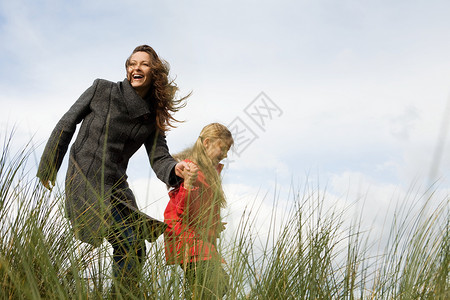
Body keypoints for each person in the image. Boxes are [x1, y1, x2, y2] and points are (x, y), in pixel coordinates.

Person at [37, 45, 191, 293]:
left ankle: (120, 294)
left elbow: (159, 157)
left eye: (143, 64)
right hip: (86, 176)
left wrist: (176, 169)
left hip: (117, 187)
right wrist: (49, 166)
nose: (136, 68)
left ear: (154, 72)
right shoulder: (102, 89)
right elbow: (67, 122)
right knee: (128, 241)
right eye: (131, 63)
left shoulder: (152, 118)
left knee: (136, 248)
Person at [164, 123, 233, 299]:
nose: (225, 154)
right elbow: (180, 209)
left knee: (207, 288)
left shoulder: (209, 172)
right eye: (223, 148)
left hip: (201, 241)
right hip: (187, 241)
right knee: (217, 283)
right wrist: (187, 185)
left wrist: (214, 224)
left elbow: (199, 207)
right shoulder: (189, 168)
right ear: (207, 143)